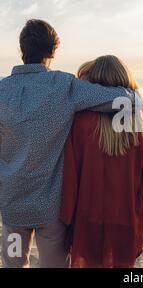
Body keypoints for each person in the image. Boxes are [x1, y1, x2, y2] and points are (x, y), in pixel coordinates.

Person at [0, 20, 135, 268]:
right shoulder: (63, 85)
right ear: (52, 52)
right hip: (50, 207)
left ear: (22, 49)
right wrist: (133, 94)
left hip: (12, 204)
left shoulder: (1, 90)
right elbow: (122, 101)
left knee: (12, 264)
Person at [60, 55, 143, 268]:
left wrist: (66, 221)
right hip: (126, 214)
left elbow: (70, 176)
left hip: (88, 216)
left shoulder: (81, 122)